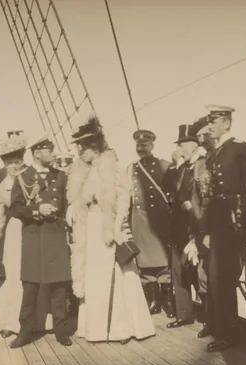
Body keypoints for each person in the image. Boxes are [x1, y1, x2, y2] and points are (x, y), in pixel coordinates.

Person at [67, 117, 156, 345]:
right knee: (93, 276)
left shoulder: (112, 168)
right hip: (89, 227)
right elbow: (79, 199)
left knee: (115, 275)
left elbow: (124, 200)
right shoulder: (81, 171)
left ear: (94, 147)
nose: (80, 152)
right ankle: (94, 328)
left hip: (107, 227)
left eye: (83, 147)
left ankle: (120, 329)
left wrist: (117, 228)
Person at [199, 105, 246, 352]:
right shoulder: (215, 154)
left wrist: (244, 218)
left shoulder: (239, 148)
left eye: (214, 121)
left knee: (225, 278)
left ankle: (229, 334)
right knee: (217, 279)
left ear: (227, 123)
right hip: (218, 223)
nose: (210, 126)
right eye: (209, 121)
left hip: (232, 222)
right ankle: (224, 329)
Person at [8, 135, 75, 348]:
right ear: (37, 153)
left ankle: (61, 331)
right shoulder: (22, 177)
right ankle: (25, 331)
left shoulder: (61, 176)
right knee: (30, 287)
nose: (53, 154)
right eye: (49, 150)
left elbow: (67, 206)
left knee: (59, 287)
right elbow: (15, 208)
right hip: (33, 237)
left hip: (55, 235)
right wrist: (36, 210)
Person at [164, 121, 211, 334]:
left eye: (183, 144)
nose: (179, 148)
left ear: (194, 145)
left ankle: (211, 319)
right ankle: (184, 315)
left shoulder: (203, 164)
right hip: (178, 228)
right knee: (179, 272)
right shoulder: (181, 168)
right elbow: (167, 185)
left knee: (198, 273)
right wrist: (176, 165)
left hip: (196, 228)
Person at [0, 134, 32, 338]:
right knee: (14, 277)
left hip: (35, 231)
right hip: (15, 233)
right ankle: (10, 321)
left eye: (17, 161)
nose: (14, 166)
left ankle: (37, 320)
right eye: (9, 163)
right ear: (4, 164)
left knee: (33, 277)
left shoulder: (34, 180)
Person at [128, 130, 173, 317]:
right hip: (139, 219)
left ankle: (168, 300)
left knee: (164, 260)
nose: (141, 149)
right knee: (145, 262)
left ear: (152, 145)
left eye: (145, 145)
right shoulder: (131, 168)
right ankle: (153, 300)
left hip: (159, 220)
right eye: (138, 145)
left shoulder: (164, 165)